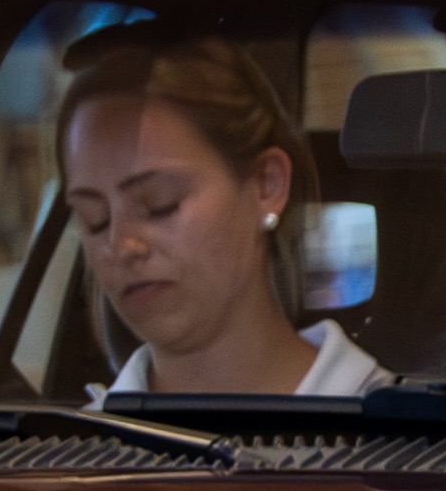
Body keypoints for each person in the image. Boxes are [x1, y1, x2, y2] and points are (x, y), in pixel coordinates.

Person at [62, 32, 384, 398]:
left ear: (268, 184)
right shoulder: (70, 434)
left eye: (160, 204)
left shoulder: (400, 428)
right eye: (94, 219)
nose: (121, 246)